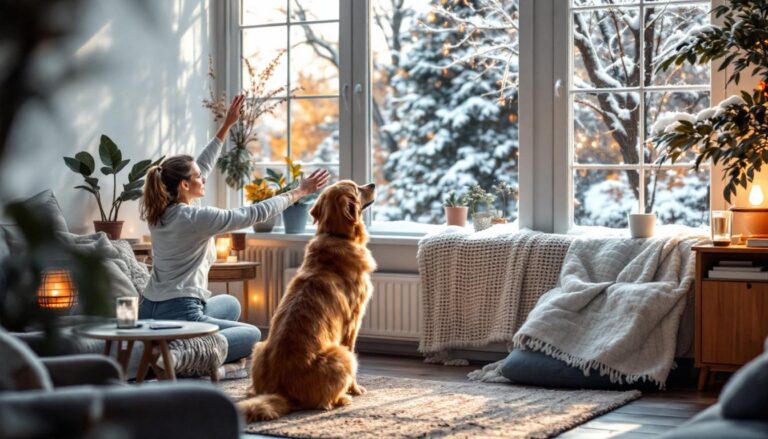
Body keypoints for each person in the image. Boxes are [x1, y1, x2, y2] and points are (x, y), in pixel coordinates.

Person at [138, 95, 330, 363]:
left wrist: (227, 125)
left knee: (230, 304)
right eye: (198, 177)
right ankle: (180, 354)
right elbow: (253, 213)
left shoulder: (159, 211)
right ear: (184, 185)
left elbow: (202, 164)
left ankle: (175, 342)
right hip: (180, 311)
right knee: (252, 335)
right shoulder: (196, 218)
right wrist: (300, 191)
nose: (204, 178)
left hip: (148, 308)